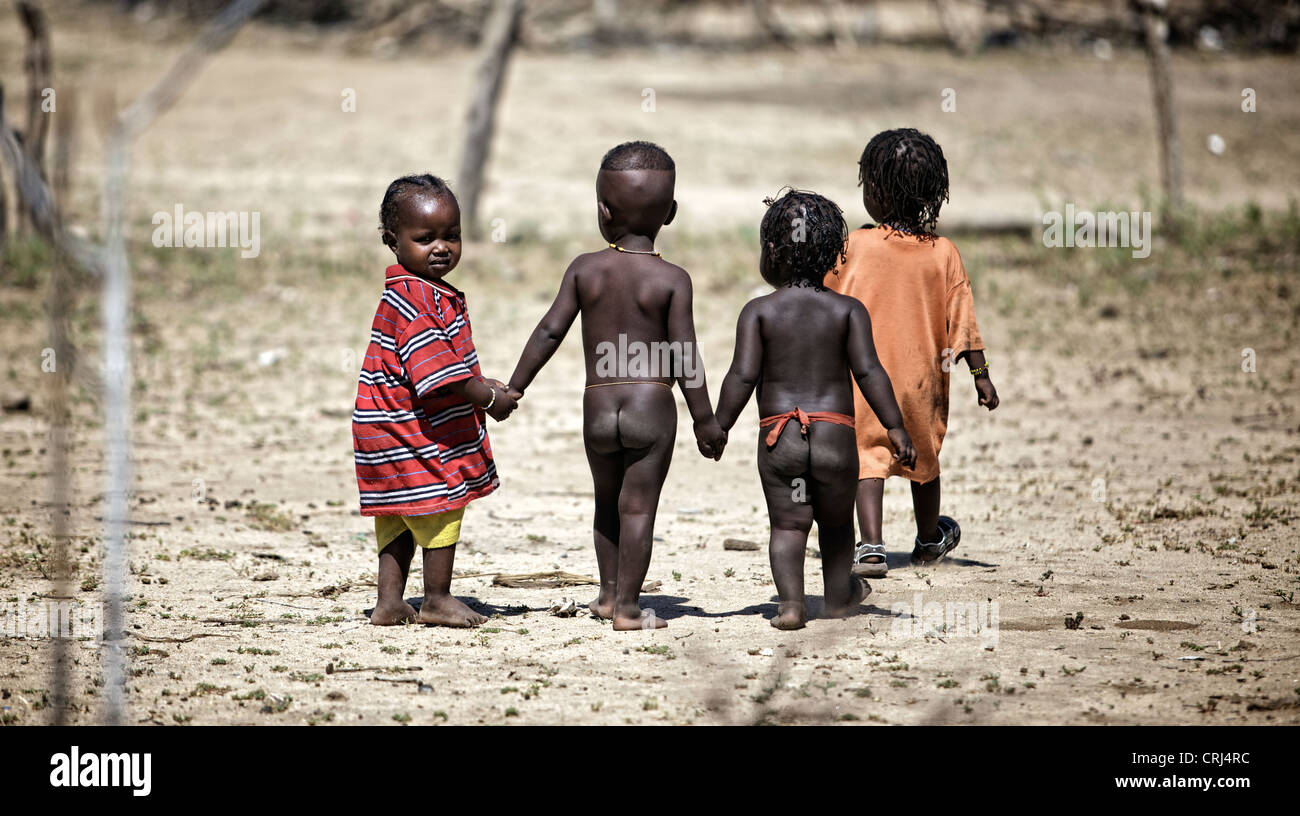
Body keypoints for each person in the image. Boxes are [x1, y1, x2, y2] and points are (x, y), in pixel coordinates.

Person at [506, 141, 726, 631]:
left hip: (599, 404)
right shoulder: (673, 279)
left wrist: (515, 388)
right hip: (651, 404)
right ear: (670, 212)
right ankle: (629, 607)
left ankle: (607, 596)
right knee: (638, 507)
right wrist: (705, 420)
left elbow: (549, 330)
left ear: (603, 211)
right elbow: (684, 353)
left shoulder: (586, 269)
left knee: (606, 500)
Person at [713, 189, 916, 630]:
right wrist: (895, 427)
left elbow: (741, 377)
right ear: (832, 256)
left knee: (787, 526)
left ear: (770, 253)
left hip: (780, 435)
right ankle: (839, 598)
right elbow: (870, 372)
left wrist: (718, 426)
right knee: (837, 523)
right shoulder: (847, 310)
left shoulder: (758, 312)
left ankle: (790, 607)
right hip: (834, 436)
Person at [827, 128, 1000, 579]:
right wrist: (981, 376)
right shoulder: (944, 253)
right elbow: (964, 326)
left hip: (862, 380)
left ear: (877, 191)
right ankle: (927, 540)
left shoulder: (854, 247)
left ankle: (870, 546)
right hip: (923, 382)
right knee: (922, 458)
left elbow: (824, 301)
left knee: (869, 456)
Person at [354, 174, 517, 627]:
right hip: (413, 432)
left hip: (383, 429)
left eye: (452, 235)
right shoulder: (416, 301)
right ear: (392, 241)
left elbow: (436, 365)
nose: (441, 247)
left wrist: (480, 380)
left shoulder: (416, 292)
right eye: (424, 238)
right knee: (442, 503)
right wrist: (486, 397)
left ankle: (389, 603)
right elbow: (438, 375)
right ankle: (437, 598)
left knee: (398, 513)